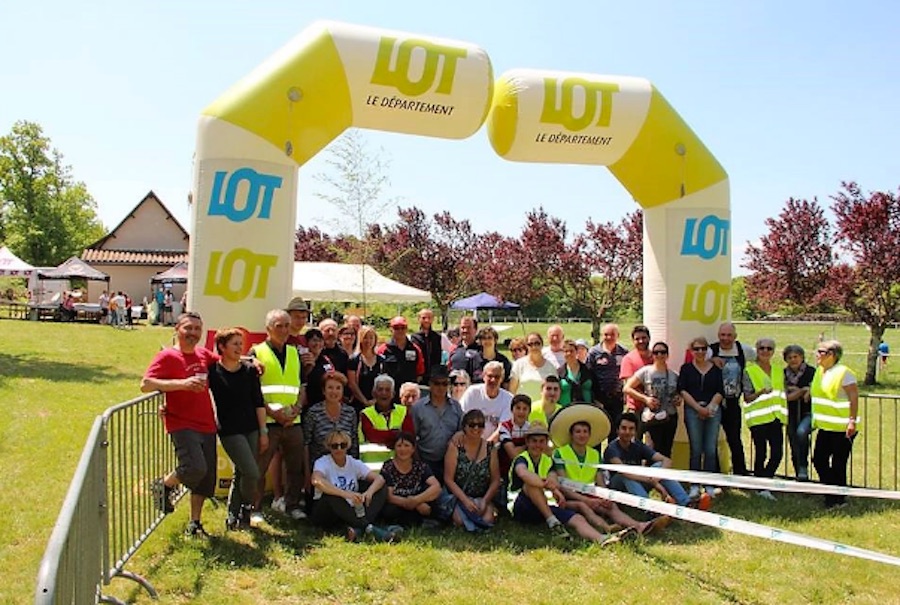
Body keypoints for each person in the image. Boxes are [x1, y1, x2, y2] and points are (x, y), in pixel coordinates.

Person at [141, 312, 219, 536]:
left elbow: (225, 361)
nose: (193, 333)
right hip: (181, 422)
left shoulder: (203, 354)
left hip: (207, 423)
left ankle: (194, 523)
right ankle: (164, 485)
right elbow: (145, 384)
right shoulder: (166, 356)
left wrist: (250, 361)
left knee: (206, 479)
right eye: (188, 328)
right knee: (195, 467)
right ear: (177, 329)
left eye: (197, 329)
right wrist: (182, 384)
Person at [550, 405, 663, 536]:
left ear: (589, 434)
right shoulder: (560, 453)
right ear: (571, 434)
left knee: (611, 506)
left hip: (589, 494)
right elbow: (564, 487)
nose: (582, 435)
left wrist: (605, 497)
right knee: (584, 506)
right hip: (568, 497)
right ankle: (607, 528)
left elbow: (600, 482)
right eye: (578, 431)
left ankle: (639, 526)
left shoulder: (594, 454)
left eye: (585, 431)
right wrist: (587, 500)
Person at [510, 422, 627, 544]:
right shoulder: (522, 458)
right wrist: (548, 486)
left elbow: (553, 480)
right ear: (527, 442)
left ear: (546, 443)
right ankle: (553, 523)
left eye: (541, 441)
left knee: (577, 518)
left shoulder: (548, 461)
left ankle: (602, 538)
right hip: (522, 507)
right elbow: (523, 474)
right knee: (530, 485)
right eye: (534, 441)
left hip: (545, 505)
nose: (538, 445)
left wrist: (554, 489)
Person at [208, 327, 268, 530]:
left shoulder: (250, 371)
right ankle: (246, 507)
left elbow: (258, 402)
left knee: (241, 474)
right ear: (222, 347)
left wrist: (263, 432)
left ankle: (234, 516)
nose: (239, 348)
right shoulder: (213, 372)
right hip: (229, 431)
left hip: (251, 428)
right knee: (252, 472)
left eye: (241, 344)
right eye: (235, 344)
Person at [251, 310, 306, 521]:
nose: (283, 330)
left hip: (293, 421)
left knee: (295, 467)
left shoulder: (294, 353)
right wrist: (272, 411)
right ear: (268, 329)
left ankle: (292, 505)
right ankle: (254, 508)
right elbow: (253, 391)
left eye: (286, 325)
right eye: (278, 326)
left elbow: (302, 385)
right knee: (259, 468)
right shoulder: (257, 353)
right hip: (269, 421)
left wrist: (298, 407)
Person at [310, 429, 396, 542]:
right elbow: (316, 480)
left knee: (380, 489)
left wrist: (368, 493)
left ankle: (358, 529)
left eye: (343, 445)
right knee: (332, 496)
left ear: (348, 446)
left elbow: (379, 478)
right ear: (329, 447)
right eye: (335, 446)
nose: (339, 449)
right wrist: (345, 494)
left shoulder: (353, 463)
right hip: (327, 511)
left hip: (352, 510)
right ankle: (369, 527)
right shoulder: (322, 462)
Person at [603, 412, 702, 510]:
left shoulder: (637, 445)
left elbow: (666, 460)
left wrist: (656, 477)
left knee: (659, 466)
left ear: (636, 431)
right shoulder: (612, 449)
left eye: (631, 429)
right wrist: (653, 482)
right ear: (617, 430)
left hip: (639, 481)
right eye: (624, 428)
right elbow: (625, 472)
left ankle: (686, 503)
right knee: (625, 476)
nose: (627, 432)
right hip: (618, 487)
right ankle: (650, 509)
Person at [811, 340, 860, 509]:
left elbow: (853, 397)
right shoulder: (819, 371)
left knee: (839, 464)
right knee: (818, 460)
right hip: (825, 426)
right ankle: (832, 492)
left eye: (820, 351)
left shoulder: (844, 373)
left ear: (831, 355)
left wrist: (852, 421)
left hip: (842, 428)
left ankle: (837, 500)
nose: (817, 354)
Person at [678, 337, 724, 500]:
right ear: (692, 351)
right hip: (692, 410)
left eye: (703, 349)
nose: (700, 352)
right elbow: (682, 390)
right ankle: (695, 485)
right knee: (696, 449)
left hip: (713, 411)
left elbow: (720, 391)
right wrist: (698, 408)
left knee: (710, 450)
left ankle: (709, 484)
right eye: (696, 349)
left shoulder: (716, 369)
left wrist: (710, 407)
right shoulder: (686, 369)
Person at [742, 338, 786, 500]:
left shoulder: (778, 370)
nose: (765, 351)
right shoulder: (749, 371)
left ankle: (765, 480)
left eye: (769, 349)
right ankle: (760, 487)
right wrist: (760, 393)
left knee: (777, 453)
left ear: (773, 352)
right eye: (761, 348)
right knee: (761, 453)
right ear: (757, 351)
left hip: (775, 417)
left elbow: (783, 390)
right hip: (758, 419)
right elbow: (747, 397)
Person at [709, 322, 754, 475]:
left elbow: (762, 357)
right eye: (722, 335)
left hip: (734, 401)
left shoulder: (743, 350)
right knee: (712, 438)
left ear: (735, 336)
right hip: (714, 401)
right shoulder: (710, 350)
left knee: (734, 438)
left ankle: (740, 472)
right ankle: (714, 473)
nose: (725, 338)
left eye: (729, 335)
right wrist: (712, 359)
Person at [443, 409, 500, 530]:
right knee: (459, 520)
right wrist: (465, 500)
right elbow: (448, 479)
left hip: (481, 497)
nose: (476, 428)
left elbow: (496, 479)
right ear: (464, 427)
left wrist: (485, 501)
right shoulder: (455, 447)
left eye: (480, 425)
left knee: (488, 519)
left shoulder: (491, 448)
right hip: (460, 497)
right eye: (472, 425)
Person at [623, 341, 681, 458]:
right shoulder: (645, 371)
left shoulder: (674, 375)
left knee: (667, 450)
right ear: (652, 355)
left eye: (663, 352)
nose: (659, 355)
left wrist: (678, 399)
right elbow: (627, 388)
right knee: (652, 450)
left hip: (670, 416)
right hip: (652, 417)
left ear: (667, 355)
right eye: (656, 352)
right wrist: (645, 399)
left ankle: (664, 475)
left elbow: (679, 394)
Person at [304, 372, 360, 482]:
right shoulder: (313, 412)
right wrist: (307, 475)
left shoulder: (350, 412)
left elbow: (354, 442)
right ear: (324, 391)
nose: (334, 391)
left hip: (345, 469)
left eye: (338, 388)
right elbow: (306, 444)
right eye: (330, 387)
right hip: (320, 470)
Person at [380, 432, 442, 527]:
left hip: (417, 500)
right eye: (399, 446)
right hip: (399, 504)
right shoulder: (388, 467)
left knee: (433, 498)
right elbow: (389, 496)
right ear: (394, 448)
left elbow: (436, 487)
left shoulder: (420, 466)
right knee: (390, 510)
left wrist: (417, 501)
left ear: (413, 449)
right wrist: (408, 503)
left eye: (406, 445)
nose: (403, 449)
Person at [411, 367, 464, 479]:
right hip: (425, 460)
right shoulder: (418, 408)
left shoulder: (456, 407)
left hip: (451, 460)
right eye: (436, 383)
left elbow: (462, 432)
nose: (440, 387)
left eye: (444, 384)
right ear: (430, 384)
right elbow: (412, 438)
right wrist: (419, 463)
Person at [587, 323, 628, 442]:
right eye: (606, 334)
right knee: (597, 431)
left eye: (612, 334)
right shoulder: (594, 352)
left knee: (615, 431)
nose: (609, 337)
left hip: (617, 398)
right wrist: (594, 398)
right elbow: (589, 375)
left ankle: (611, 458)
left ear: (618, 336)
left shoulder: (623, 352)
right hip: (599, 398)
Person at [783, 344, 816, 480]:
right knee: (793, 440)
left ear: (802, 357)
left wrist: (800, 390)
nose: (793, 360)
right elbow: (786, 395)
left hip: (808, 412)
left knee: (802, 433)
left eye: (796, 357)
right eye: (789, 357)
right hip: (791, 413)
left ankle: (803, 465)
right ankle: (799, 473)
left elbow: (815, 390)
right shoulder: (783, 374)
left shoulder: (811, 372)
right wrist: (802, 390)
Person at [459, 361, 512, 441]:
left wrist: (485, 446)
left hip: (495, 445)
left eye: (497, 377)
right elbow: (462, 419)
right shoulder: (472, 392)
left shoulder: (508, 399)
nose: (493, 380)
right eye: (490, 376)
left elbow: (501, 429)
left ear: (502, 379)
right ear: (483, 376)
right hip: (470, 441)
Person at [360, 374, 415, 448]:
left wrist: (384, 435)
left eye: (387, 390)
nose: (384, 393)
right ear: (374, 393)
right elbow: (372, 436)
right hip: (373, 459)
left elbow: (409, 436)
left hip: (399, 458)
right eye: (380, 389)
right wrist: (396, 434)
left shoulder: (403, 411)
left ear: (393, 394)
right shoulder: (366, 413)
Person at [377, 316, 425, 395]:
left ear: (406, 329)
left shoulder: (415, 349)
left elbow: (420, 372)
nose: (400, 330)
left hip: (409, 395)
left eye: (403, 327)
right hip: (389, 394)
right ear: (391, 329)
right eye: (396, 328)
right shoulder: (383, 349)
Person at [508, 332, 557, 401]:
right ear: (526, 347)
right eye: (530, 344)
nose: (534, 347)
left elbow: (555, 392)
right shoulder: (518, 364)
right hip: (522, 409)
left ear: (542, 345)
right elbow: (511, 392)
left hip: (543, 409)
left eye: (537, 343)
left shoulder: (551, 367)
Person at [347, 325, 385, 412]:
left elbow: (384, 383)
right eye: (365, 338)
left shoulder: (382, 360)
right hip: (358, 404)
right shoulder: (354, 360)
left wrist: (376, 400)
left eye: (371, 338)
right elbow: (352, 384)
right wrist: (365, 401)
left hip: (377, 405)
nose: (368, 341)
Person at [619, 325, 653, 412]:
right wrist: (646, 399)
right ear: (633, 341)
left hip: (655, 407)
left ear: (649, 338)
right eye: (637, 339)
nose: (641, 341)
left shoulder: (657, 357)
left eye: (644, 338)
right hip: (636, 408)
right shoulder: (628, 359)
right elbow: (628, 388)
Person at [411, 308, 443, 382]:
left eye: (429, 318)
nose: (426, 320)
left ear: (433, 319)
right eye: (424, 318)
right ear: (419, 319)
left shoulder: (437, 337)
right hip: (419, 376)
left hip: (434, 376)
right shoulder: (414, 337)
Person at [557, 339, 593, 405]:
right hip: (565, 411)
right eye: (566, 351)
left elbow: (595, 389)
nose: (569, 353)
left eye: (571, 351)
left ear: (576, 352)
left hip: (586, 410)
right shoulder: (559, 372)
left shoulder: (588, 370)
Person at [448, 316, 483, 380]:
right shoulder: (454, 350)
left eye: (469, 328)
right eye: (463, 328)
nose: (465, 330)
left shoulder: (482, 350)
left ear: (475, 329)